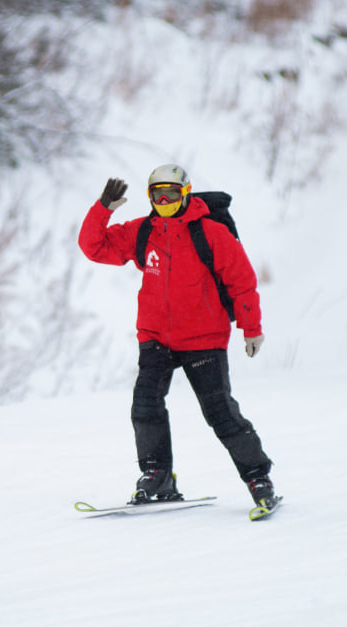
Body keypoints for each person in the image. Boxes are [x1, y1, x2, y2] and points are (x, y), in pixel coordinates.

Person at [78, 163, 277, 512]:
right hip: (156, 337)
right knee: (145, 407)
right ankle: (158, 477)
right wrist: (103, 208)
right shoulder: (143, 231)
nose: (164, 199)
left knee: (221, 413)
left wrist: (251, 328)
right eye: (157, 194)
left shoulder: (211, 232)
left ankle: (258, 477)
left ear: (185, 193)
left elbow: (241, 281)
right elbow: (94, 247)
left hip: (204, 339)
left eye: (171, 193)